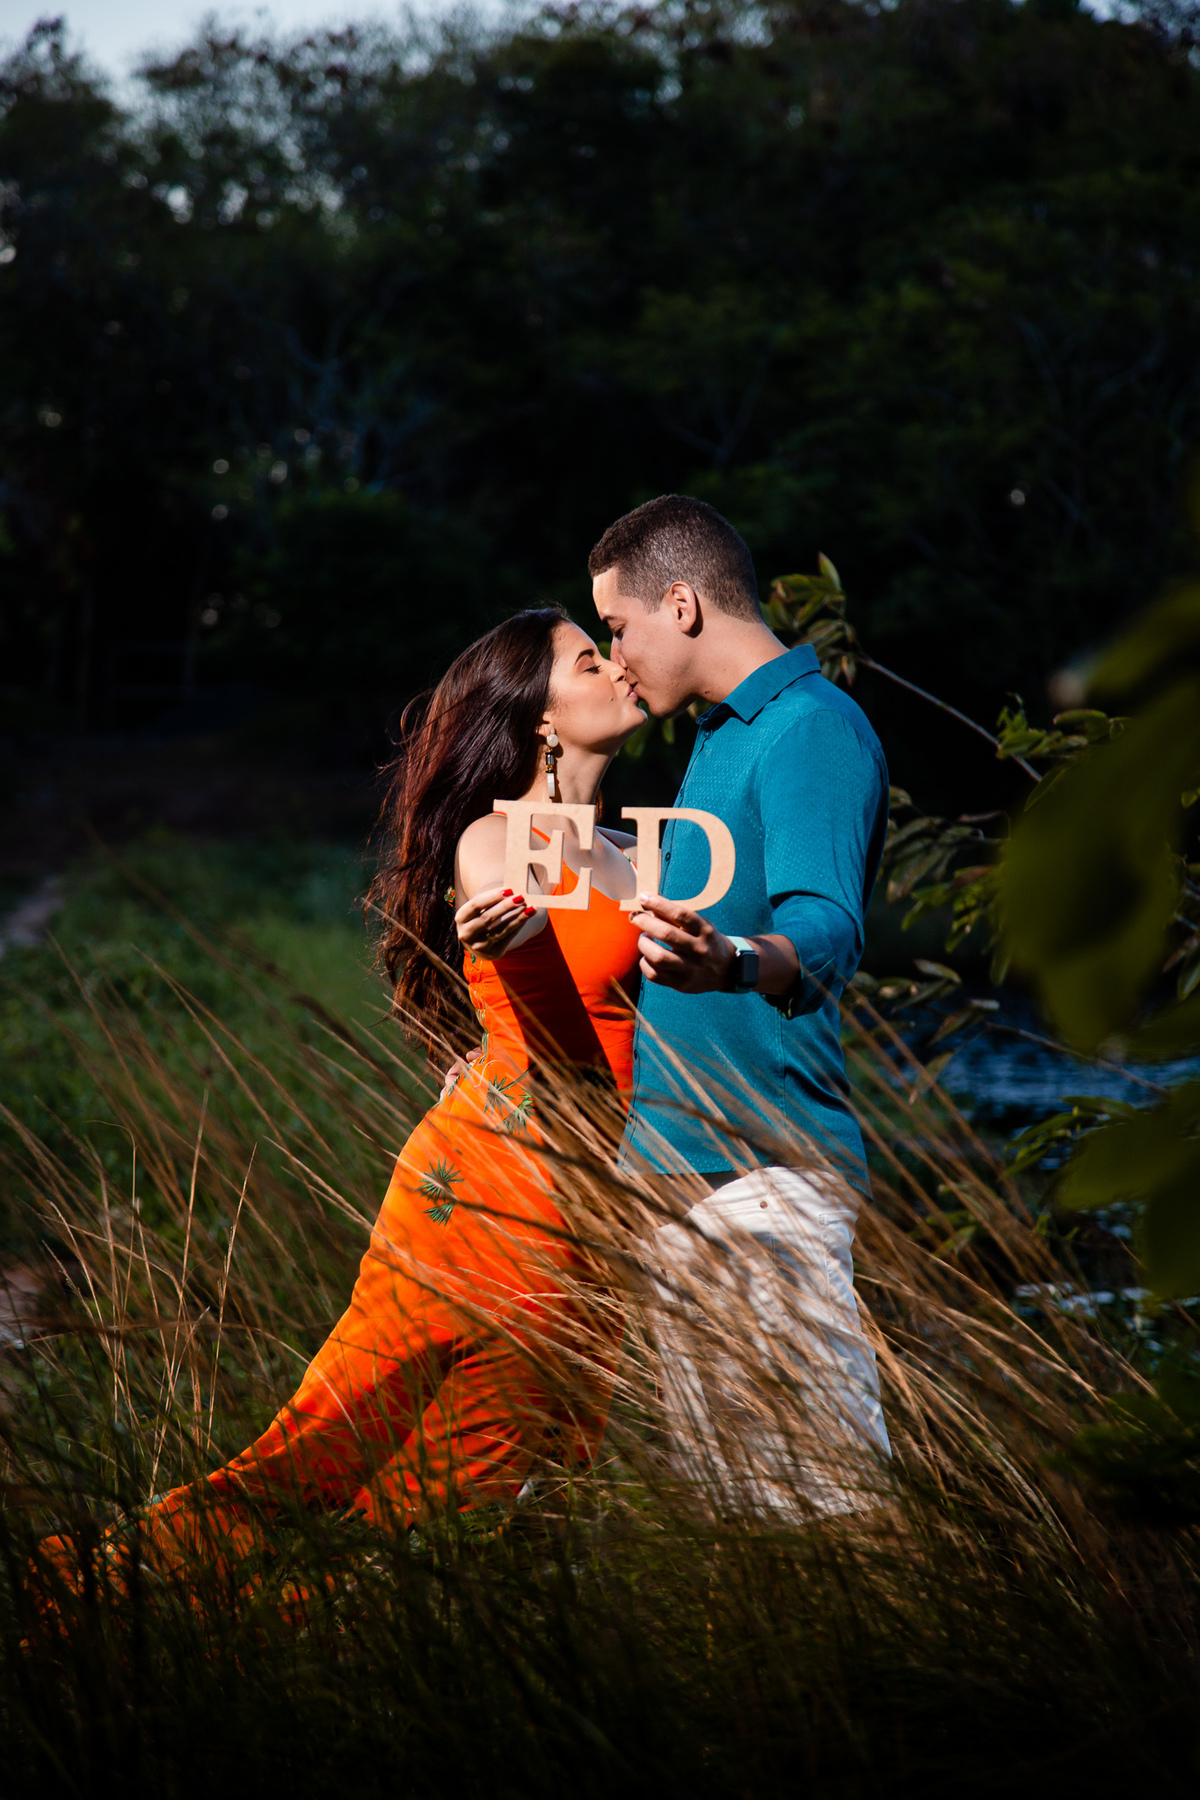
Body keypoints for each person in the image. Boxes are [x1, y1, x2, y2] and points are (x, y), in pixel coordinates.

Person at [39, 609, 647, 1589]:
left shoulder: (643, 848)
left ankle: (354, 1657)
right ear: (539, 717)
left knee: (524, 1485)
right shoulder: (503, 846)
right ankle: (90, 1597)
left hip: (601, 1203)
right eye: (589, 658)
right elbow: (555, 1031)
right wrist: (518, 978)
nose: (616, 667)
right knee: (333, 1453)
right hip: (500, 1195)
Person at [589, 495, 892, 1514]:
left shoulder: (810, 730)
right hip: (682, 1186)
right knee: (745, 1531)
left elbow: (827, 929)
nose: (614, 656)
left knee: (829, 1510)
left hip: (763, 1182)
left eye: (617, 627)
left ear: (680, 604)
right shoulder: (716, 738)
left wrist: (727, 960)